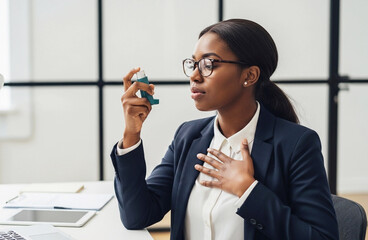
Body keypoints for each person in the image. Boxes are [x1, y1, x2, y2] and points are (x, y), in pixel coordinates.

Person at [110, 19, 338, 240]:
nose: (195, 76)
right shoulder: (188, 137)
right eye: (193, 64)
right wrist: (132, 134)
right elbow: (136, 215)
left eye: (209, 64)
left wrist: (248, 190)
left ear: (249, 76)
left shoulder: (296, 144)